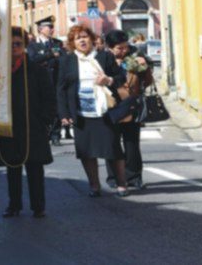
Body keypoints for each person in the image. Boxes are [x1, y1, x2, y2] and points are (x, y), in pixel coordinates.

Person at [56, 24, 129, 197]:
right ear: (73, 43)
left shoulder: (105, 57)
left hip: (104, 111)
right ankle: (94, 185)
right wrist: (64, 114)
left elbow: (121, 77)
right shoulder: (67, 61)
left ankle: (121, 183)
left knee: (112, 148)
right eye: (77, 38)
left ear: (92, 39)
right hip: (81, 113)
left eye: (85, 36)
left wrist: (109, 80)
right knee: (86, 151)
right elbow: (61, 88)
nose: (82, 40)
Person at [0, 27, 56, 218]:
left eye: (18, 44)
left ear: (25, 46)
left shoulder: (37, 70)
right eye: (10, 44)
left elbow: (48, 97)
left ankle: (38, 205)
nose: (14, 48)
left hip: (33, 124)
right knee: (12, 167)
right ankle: (14, 205)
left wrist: (46, 121)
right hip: (8, 125)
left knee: (35, 167)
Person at [103, 30, 153, 190]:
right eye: (119, 48)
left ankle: (134, 177)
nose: (124, 51)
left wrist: (144, 67)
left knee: (132, 143)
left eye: (125, 47)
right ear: (110, 47)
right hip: (110, 106)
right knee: (111, 143)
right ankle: (113, 177)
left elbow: (148, 82)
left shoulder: (134, 57)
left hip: (131, 105)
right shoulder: (102, 59)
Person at [27, 16, 67, 145]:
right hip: (39, 81)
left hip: (55, 79)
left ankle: (56, 134)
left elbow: (62, 58)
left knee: (54, 107)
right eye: (49, 27)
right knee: (40, 107)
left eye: (52, 27)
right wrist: (50, 55)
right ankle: (44, 133)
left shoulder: (57, 43)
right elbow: (33, 59)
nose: (52, 29)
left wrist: (46, 57)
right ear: (40, 29)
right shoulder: (33, 45)